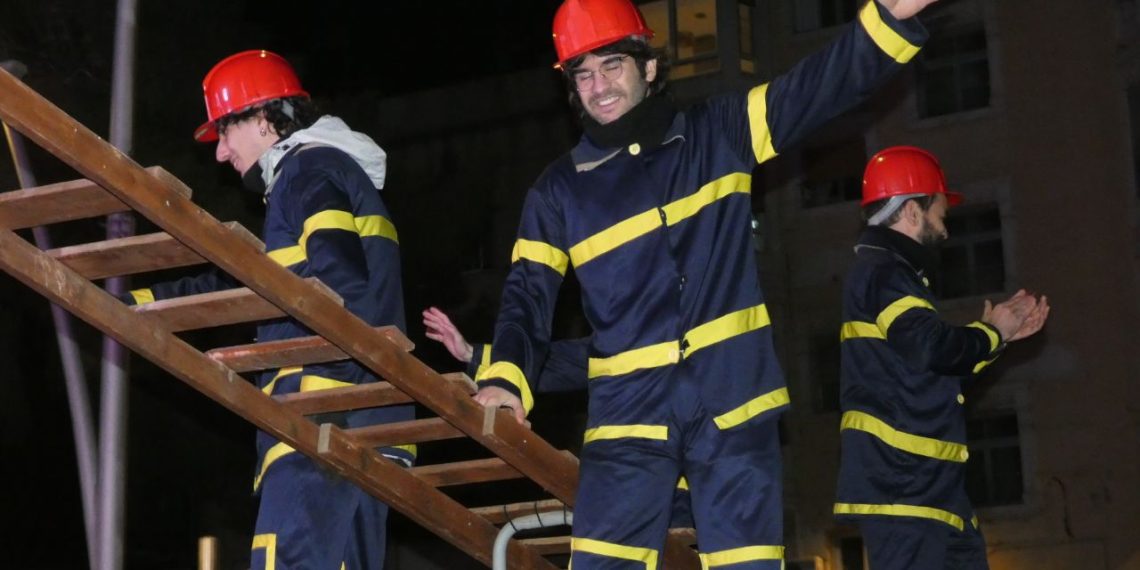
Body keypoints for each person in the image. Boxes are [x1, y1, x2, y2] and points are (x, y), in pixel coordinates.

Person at [471, 0, 939, 567]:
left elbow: (816, 87)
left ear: (648, 67)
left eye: (611, 65)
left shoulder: (720, 131)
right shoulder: (557, 192)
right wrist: (505, 378)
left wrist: (888, 17)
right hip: (627, 418)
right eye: (583, 74)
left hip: (733, 405)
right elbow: (527, 295)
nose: (598, 87)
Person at [123, 50, 413, 569]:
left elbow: (339, 289)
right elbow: (251, 276)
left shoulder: (307, 172)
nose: (219, 153)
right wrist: (144, 301)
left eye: (225, 132)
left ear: (263, 119)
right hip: (357, 420)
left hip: (325, 418)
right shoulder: (322, 174)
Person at [832, 146, 1049, 569]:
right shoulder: (883, 273)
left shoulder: (890, 275)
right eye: (939, 214)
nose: (945, 230)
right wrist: (992, 332)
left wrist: (996, 340)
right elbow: (931, 348)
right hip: (905, 491)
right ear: (912, 212)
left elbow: (929, 375)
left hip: (930, 494)